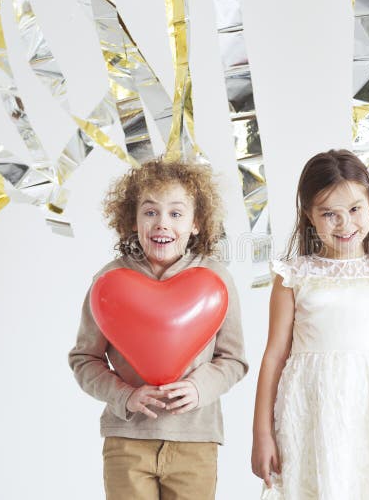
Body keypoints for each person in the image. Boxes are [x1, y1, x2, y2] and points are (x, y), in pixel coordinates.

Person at [251, 149, 369, 499]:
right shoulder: (294, 275)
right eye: (329, 214)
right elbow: (273, 356)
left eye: (353, 210)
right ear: (309, 215)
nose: (345, 224)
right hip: (309, 414)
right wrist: (262, 434)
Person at [69, 157, 248, 500]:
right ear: (132, 221)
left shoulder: (217, 281)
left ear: (196, 223)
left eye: (176, 213)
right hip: (126, 441)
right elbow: (84, 359)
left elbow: (234, 359)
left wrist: (199, 387)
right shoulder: (109, 283)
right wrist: (126, 395)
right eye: (150, 212)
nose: (162, 223)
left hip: (196, 441)